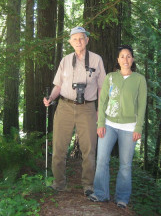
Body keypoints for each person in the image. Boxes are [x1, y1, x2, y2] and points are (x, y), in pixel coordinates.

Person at [43, 26, 106, 196]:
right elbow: (58, 85)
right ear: (70, 42)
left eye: (81, 38)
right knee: (58, 147)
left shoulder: (96, 60)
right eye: (75, 39)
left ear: (87, 40)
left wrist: (100, 111)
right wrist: (50, 98)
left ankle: (88, 185)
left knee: (89, 149)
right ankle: (58, 183)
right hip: (64, 106)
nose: (78, 41)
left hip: (88, 108)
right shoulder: (65, 60)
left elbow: (102, 88)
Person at [88, 44, 147, 208]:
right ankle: (100, 194)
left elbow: (142, 105)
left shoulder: (139, 79)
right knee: (101, 160)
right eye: (122, 56)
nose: (125, 59)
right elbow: (103, 100)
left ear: (133, 59)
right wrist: (100, 123)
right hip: (109, 124)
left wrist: (138, 128)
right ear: (118, 60)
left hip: (129, 128)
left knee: (125, 165)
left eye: (128, 56)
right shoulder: (110, 77)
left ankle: (122, 198)